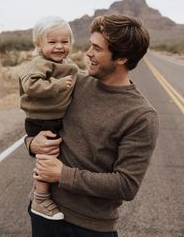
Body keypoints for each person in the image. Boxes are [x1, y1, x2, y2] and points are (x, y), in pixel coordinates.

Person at [25, 14, 159, 237]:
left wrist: (62, 175)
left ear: (122, 57)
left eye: (97, 48)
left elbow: (126, 185)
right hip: (41, 212)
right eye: (90, 45)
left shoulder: (141, 116)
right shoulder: (75, 82)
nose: (88, 53)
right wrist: (31, 143)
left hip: (90, 227)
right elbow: (39, 121)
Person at [19, 16, 78, 220]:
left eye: (64, 42)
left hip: (55, 118)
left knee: (57, 154)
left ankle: (39, 189)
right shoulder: (40, 64)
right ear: (39, 44)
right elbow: (31, 86)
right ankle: (41, 198)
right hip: (41, 120)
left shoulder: (66, 63)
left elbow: (79, 77)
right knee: (47, 156)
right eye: (52, 42)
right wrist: (59, 85)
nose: (59, 47)